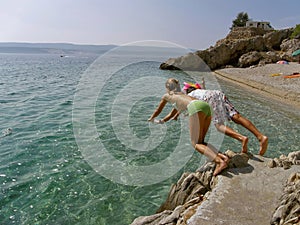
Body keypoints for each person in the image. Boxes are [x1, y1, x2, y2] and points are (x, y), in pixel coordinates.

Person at [161, 81, 268, 156]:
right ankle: (260, 136)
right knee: (236, 116)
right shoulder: (200, 91)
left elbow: (174, 111)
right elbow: (178, 111)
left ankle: (242, 138)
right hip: (218, 93)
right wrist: (176, 116)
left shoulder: (188, 96)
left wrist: (163, 120)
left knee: (219, 125)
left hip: (209, 99)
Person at [148, 78, 229, 176]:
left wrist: (151, 118)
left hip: (195, 107)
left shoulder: (166, 96)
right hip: (206, 106)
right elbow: (171, 114)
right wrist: (162, 121)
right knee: (201, 141)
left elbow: (158, 110)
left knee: (195, 144)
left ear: (167, 88)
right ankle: (222, 157)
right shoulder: (182, 95)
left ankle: (220, 162)